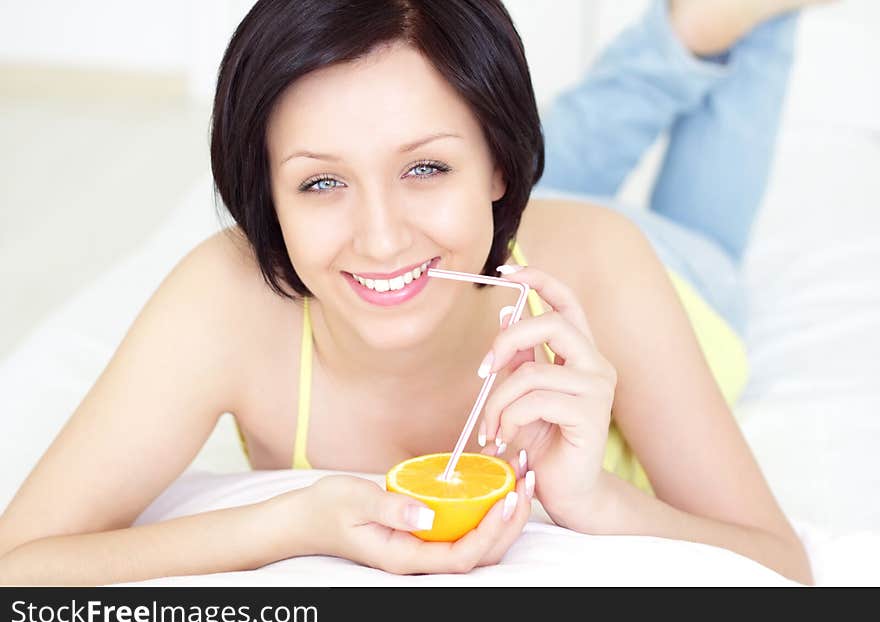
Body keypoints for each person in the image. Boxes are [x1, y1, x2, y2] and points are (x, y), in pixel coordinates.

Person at [0, 0, 819, 585]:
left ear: (501, 171)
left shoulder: (611, 268)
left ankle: (704, 32)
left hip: (670, 269)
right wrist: (291, 520)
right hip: (479, 229)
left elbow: (783, 568)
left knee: (699, 227)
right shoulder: (225, 300)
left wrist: (592, 498)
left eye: (425, 167)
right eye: (320, 183)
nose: (380, 236)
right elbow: (18, 572)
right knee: (486, 158)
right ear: (266, 199)